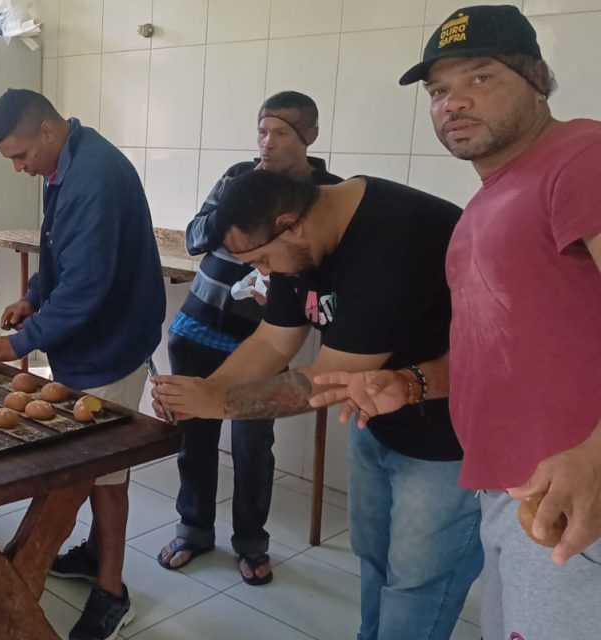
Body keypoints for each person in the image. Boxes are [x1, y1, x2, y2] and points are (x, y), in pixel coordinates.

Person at [313, 6, 601, 639]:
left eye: (480, 77)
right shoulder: (490, 200)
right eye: (439, 90)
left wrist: (596, 453)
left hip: (573, 500)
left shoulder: (581, 155)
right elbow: (508, 348)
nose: (454, 103)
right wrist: (413, 382)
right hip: (511, 492)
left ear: (538, 77)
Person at [151, 170, 480, 640]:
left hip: (451, 435)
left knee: (418, 581)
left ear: (291, 224)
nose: (263, 272)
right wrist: (210, 390)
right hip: (378, 419)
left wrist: (221, 404)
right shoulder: (300, 244)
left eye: (263, 259)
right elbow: (271, 341)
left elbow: (328, 380)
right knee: (375, 557)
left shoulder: (393, 236)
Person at [0, 89, 166, 640]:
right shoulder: (67, 165)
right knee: (88, 465)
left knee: (104, 471)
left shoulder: (93, 178)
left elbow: (86, 287)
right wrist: (34, 293)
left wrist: (18, 343)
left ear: (48, 132)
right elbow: (61, 255)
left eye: (20, 155)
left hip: (114, 344)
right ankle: (93, 553)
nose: (19, 167)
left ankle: (112, 592)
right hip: (89, 340)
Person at [157, 91, 342, 586]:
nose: (266, 142)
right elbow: (196, 234)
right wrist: (237, 219)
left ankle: (251, 543)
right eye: (262, 130)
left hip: (264, 339)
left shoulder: (327, 191)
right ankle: (193, 529)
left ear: (310, 136)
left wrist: (282, 280)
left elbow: (329, 270)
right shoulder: (240, 177)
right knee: (194, 436)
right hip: (199, 327)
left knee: (253, 445)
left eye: (280, 133)